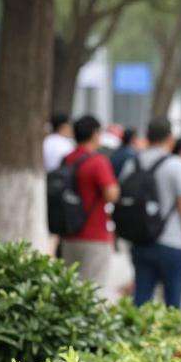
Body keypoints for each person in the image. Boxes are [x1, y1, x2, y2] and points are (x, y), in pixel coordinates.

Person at [132, 117, 181, 308]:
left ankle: (139, 335)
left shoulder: (134, 162)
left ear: (147, 136)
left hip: (141, 241)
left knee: (141, 301)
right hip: (173, 243)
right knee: (173, 303)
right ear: (170, 138)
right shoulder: (176, 164)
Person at [60, 114, 119, 292]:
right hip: (95, 236)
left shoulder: (67, 159)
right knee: (93, 291)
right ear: (94, 134)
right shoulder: (98, 162)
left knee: (71, 290)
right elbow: (111, 194)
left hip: (69, 234)